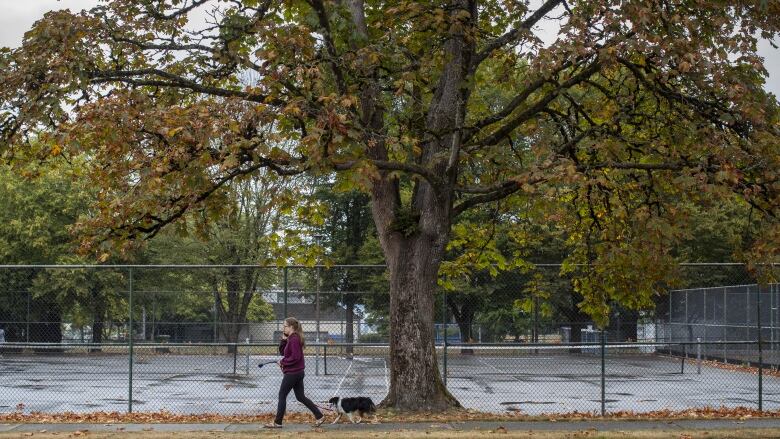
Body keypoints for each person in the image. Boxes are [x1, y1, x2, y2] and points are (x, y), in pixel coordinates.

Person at [264, 317, 325, 428]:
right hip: (297, 372)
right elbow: (284, 353)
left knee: (282, 395)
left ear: (291, 327)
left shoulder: (294, 339)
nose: (283, 328)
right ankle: (319, 416)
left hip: (293, 373)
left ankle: (277, 422)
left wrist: (282, 362)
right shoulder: (291, 338)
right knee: (300, 397)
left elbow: (295, 357)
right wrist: (283, 340)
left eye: (285, 326)